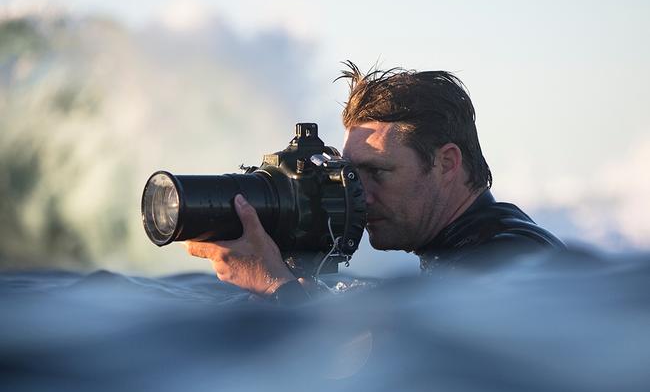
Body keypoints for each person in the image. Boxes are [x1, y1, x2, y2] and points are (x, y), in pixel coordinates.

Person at [185, 62, 565, 300]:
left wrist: (274, 286)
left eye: (377, 172)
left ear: (446, 163)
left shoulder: (510, 258)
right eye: (350, 173)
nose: (358, 194)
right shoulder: (461, 253)